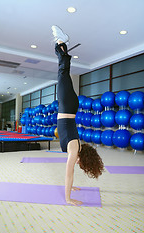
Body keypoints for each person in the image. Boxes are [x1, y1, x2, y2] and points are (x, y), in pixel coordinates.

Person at [51, 26, 104, 206]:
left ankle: (62, 44)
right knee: (62, 73)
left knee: (63, 75)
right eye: (82, 164)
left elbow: (70, 172)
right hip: (67, 105)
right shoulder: (74, 148)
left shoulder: (76, 147)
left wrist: (72, 187)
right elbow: (68, 173)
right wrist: (68, 198)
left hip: (69, 106)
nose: (77, 164)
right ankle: (61, 42)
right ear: (83, 158)